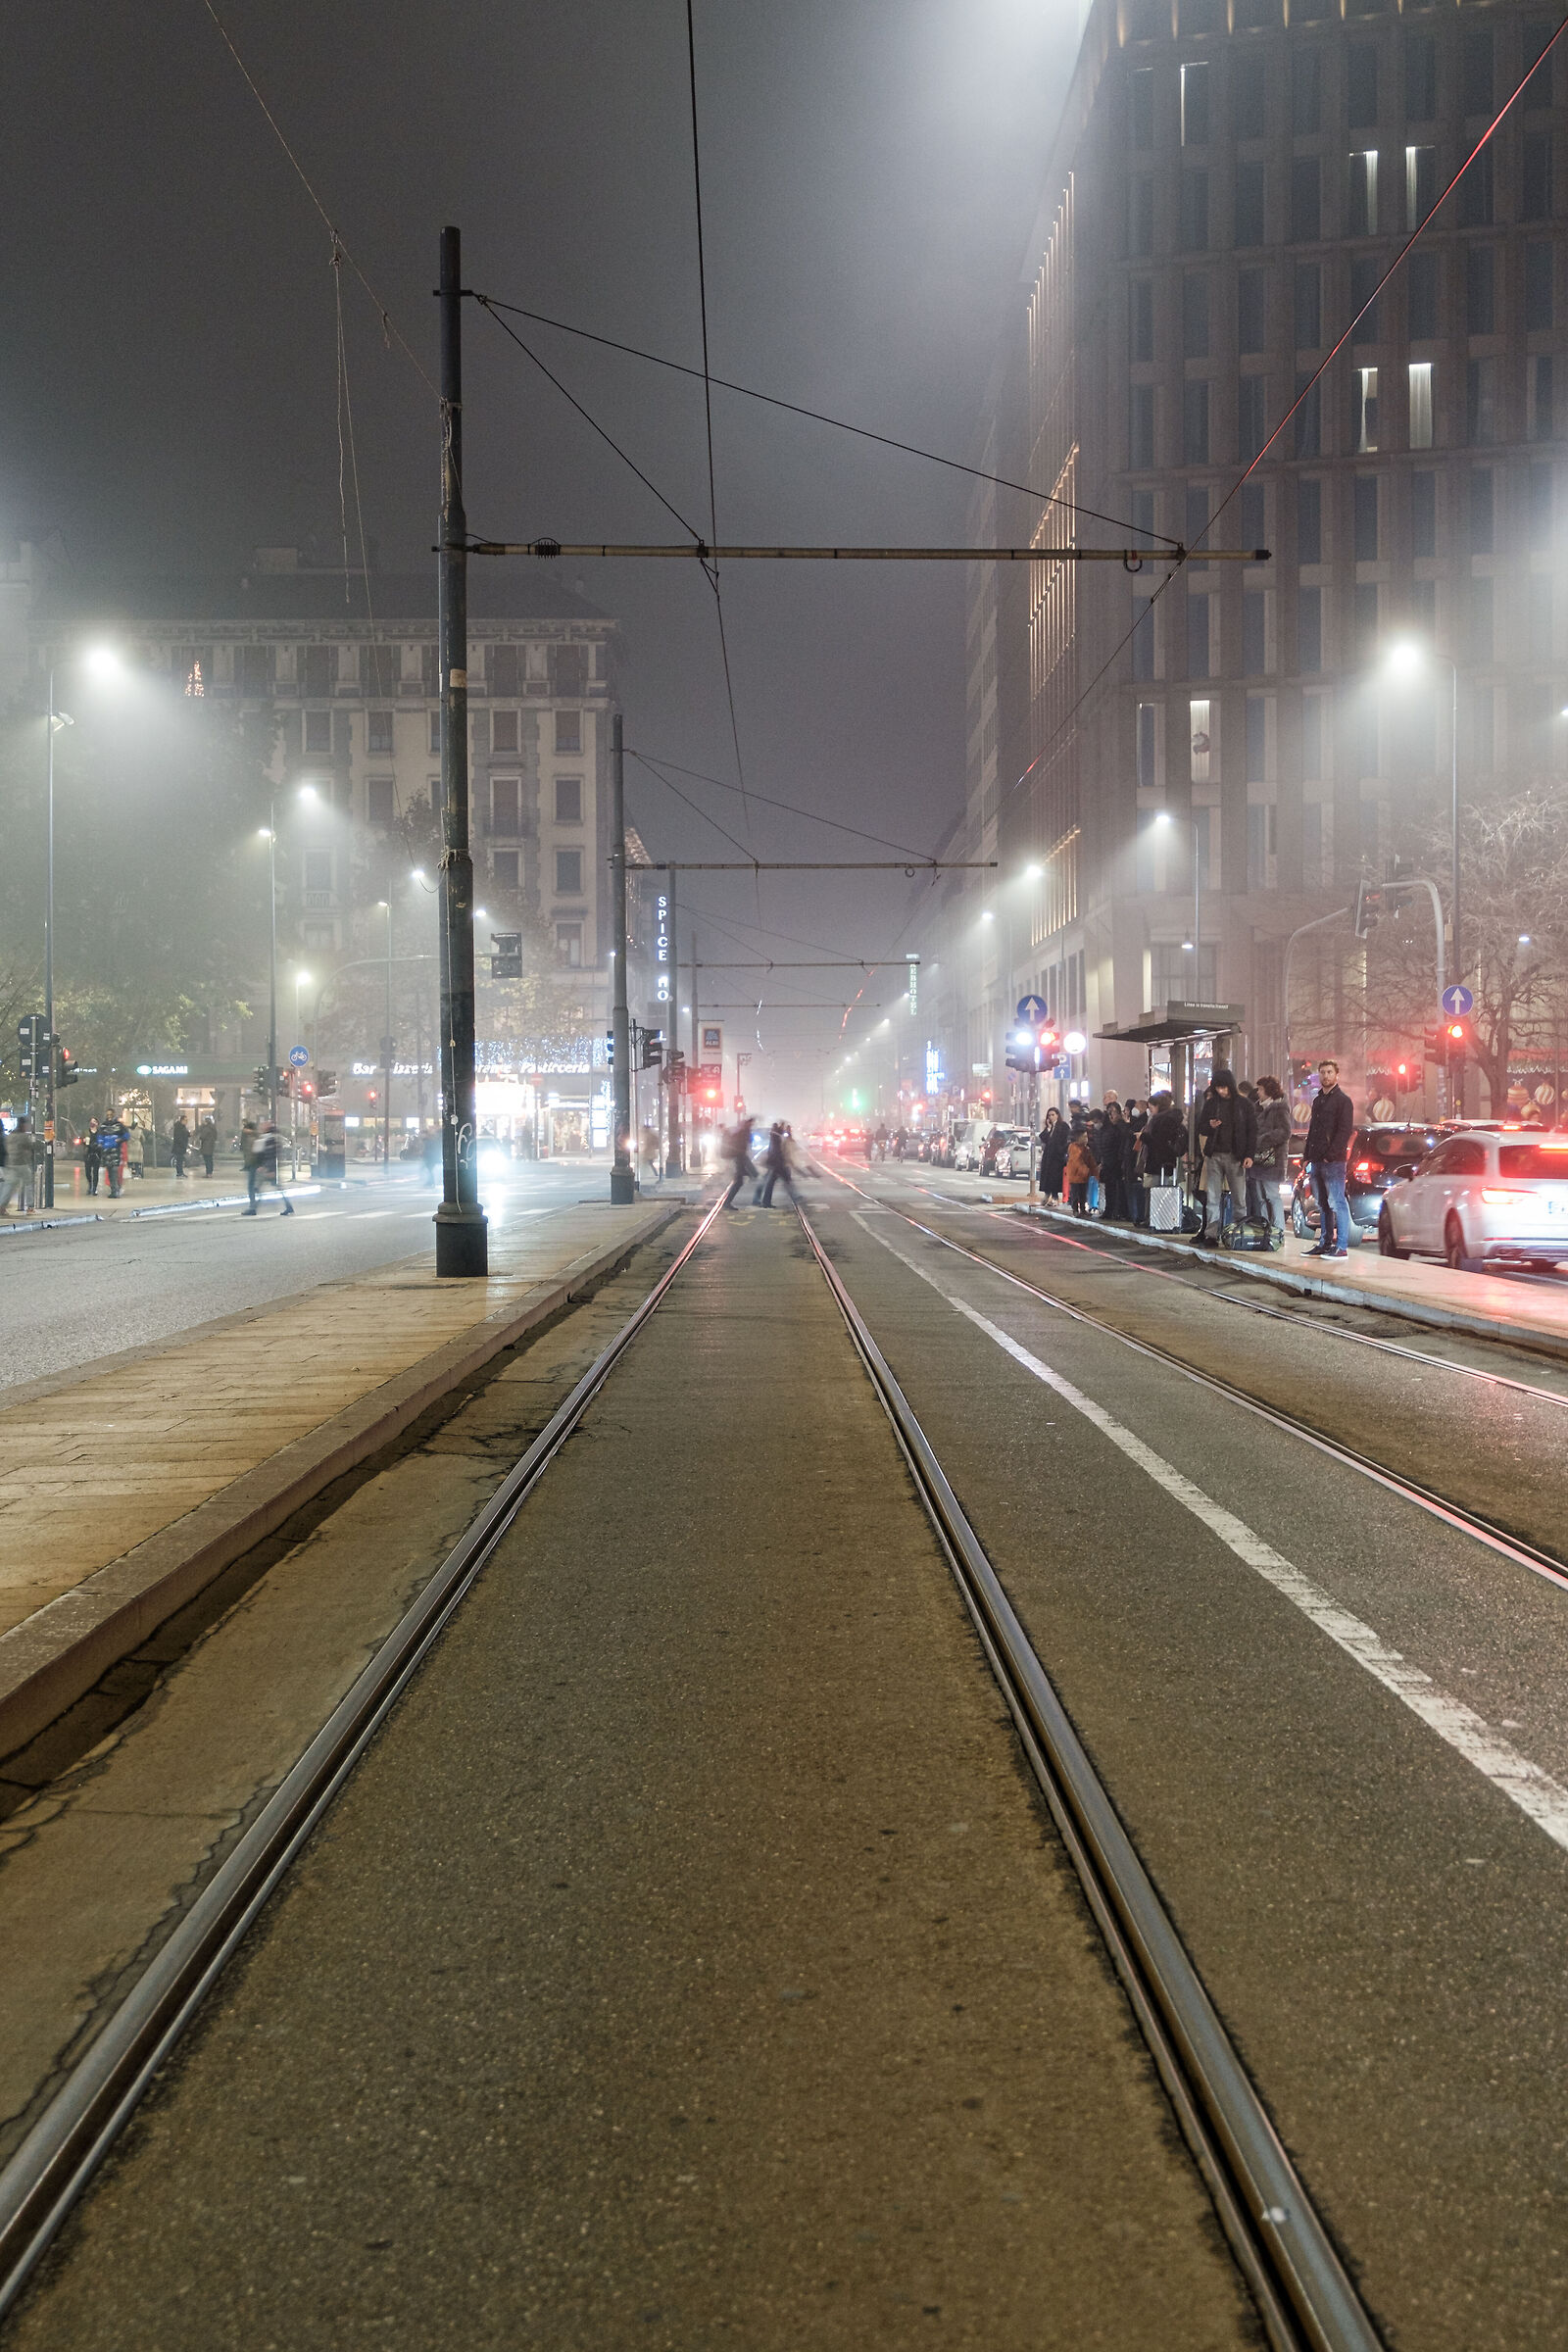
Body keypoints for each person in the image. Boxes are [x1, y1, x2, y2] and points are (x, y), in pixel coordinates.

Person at [1302, 1058, 1354, 1258]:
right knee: (1322, 1204)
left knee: (1337, 1202)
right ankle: (1324, 1243)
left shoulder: (1343, 1101)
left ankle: (1341, 1247)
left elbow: (1344, 1131)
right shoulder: (1317, 1101)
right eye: (1323, 1072)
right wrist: (1307, 1156)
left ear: (1336, 1075)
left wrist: (1330, 1155)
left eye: (1329, 1072)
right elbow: (1313, 1131)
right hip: (1316, 1160)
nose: (1326, 1076)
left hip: (1333, 1162)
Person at [1197, 1066, 1256, 1235]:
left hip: (1235, 1156)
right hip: (1214, 1154)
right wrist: (1210, 1125)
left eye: (1224, 1087)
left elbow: (1252, 1131)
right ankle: (1211, 1234)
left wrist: (1249, 1155)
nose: (1221, 1091)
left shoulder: (1244, 1104)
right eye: (1218, 1087)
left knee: (1239, 1198)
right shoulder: (1211, 1104)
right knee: (1213, 1198)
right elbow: (1201, 1127)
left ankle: (1239, 1233)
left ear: (1230, 1085)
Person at [1251, 1076, 1293, 1234]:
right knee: (1261, 1197)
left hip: (1272, 1160)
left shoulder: (1279, 1108)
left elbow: (1284, 1132)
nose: (1258, 1092)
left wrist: (1262, 1140)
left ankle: (1278, 1230)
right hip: (1258, 1159)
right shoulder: (1259, 1108)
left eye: (1261, 1089)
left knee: (1272, 1195)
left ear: (1269, 1091)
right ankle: (1265, 1229)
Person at [242, 1118, 293, 1215]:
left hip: (269, 1168)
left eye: (264, 1125)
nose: (262, 1126)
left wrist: (268, 1168)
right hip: (270, 1168)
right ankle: (288, 1206)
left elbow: (271, 1154)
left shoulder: (270, 1138)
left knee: (260, 1187)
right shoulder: (271, 1137)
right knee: (273, 1187)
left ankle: (253, 1208)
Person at [1097, 1101, 1134, 1221]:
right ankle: (1109, 1210)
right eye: (1109, 1112)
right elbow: (1102, 1143)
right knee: (1109, 1187)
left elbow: (1126, 1139)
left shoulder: (1122, 1126)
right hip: (1108, 1160)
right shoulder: (1106, 1128)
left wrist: (1126, 1124)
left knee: (1120, 1187)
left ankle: (1121, 1211)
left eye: (1114, 1112)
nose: (1111, 1115)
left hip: (1118, 1161)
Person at [719, 1113, 757, 1209]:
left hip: (740, 1158)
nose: (753, 1125)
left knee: (740, 1181)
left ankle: (727, 1203)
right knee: (739, 1181)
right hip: (740, 1158)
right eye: (752, 1123)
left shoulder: (743, 1130)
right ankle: (727, 1203)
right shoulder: (744, 1131)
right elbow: (743, 1146)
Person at [760, 1120, 799, 1207]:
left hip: (776, 1162)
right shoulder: (776, 1136)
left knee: (775, 1181)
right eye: (783, 1126)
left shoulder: (776, 1135)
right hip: (777, 1163)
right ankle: (795, 1197)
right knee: (785, 1180)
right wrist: (781, 1160)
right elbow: (776, 1151)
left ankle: (766, 1201)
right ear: (780, 1126)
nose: (784, 1128)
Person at [1064, 1118, 1098, 1217]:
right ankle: (1075, 1209)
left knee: (1083, 1194)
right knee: (1075, 1194)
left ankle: (1082, 1209)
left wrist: (1094, 1172)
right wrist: (1087, 1170)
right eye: (1084, 1137)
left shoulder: (1086, 1149)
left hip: (1083, 1177)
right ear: (1078, 1138)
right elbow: (1076, 1163)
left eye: (1086, 1137)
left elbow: (1091, 1162)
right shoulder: (1074, 1148)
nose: (1086, 1139)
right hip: (1075, 1176)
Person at [1038, 1105, 1070, 1201]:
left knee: (1055, 1178)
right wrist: (1048, 1128)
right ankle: (1047, 1194)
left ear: (1057, 1115)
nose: (1051, 1117)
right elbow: (1044, 1138)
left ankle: (1055, 1197)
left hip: (1057, 1157)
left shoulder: (1063, 1126)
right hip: (1048, 1156)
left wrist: (1061, 1151)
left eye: (1053, 1115)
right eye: (1049, 1115)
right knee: (1047, 1177)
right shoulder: (1050, 1127)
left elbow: (1065, 1140)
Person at [83, 1116, 104, 1197]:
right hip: (88, 1153)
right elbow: (82, 1140)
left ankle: (94, 1188)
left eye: (94, 1121)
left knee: (95, 1172)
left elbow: (102, 1141)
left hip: (97, 1154)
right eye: (91, 1121)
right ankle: (90, 1185)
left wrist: (99, 1145)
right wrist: (84, 1141)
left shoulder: (100, 1132)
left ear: (97, 1123)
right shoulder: (86, 1132)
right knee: (88, 1172)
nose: (92, 1123)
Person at [196, 1113, 218, 1177]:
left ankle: (208, 1173)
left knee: (207, 1160)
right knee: (210, 1160)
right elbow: (215, 1137)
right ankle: (210, 1173)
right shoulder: (213, 1128)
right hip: (211, 1146)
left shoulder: (206, 1128)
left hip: (206, 1146)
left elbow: (202, 1136)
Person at [171, 1114, 191, 1179]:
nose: (186, 1122)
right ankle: (180, 1173)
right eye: (185, 1120)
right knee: (179, 1160)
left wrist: (189, 1134)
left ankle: (180, 1172)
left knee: (180, 1160)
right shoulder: (179, 1127)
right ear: (182, 1120)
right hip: (179, 1147)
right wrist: (182, 1143)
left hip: (181, 1146)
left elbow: (186, 1134)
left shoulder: (183, 1127)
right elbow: (179, 1137)